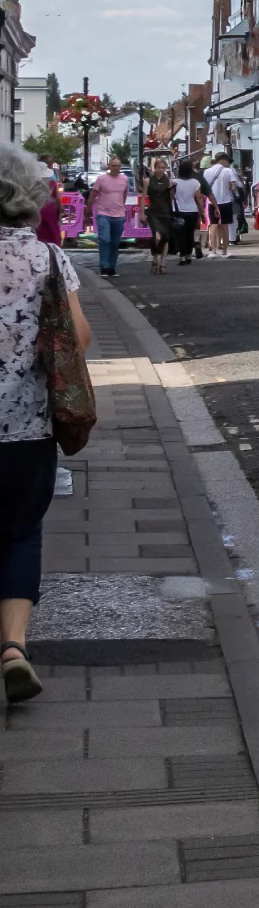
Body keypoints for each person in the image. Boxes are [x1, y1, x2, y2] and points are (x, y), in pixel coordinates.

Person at [0, 143, 91, 703]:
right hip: (25, 428)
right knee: (20, 533)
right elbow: (76, 339)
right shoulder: (50, 260)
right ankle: (12, 646)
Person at [88, 156, 131, 279]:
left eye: (118, 166)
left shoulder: (124, 179)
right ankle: (104, 265)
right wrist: (88, 210)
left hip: (119, 215)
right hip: (103, 213)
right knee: (105, 239)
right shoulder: (101, 179)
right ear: (109, 166)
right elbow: (93, 195)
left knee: (115, 243)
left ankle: (112, 267)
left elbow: (124, 195)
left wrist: (121, 207)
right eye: (113, 166)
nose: (116, 168)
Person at [205, 152, 241, 258]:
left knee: (213, 225)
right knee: (225, 226)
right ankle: (224, 251)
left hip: (212, 202)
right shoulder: (228, 171)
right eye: (227, 161)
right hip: (226, 201)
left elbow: (205, 187)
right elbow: (233, 186)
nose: (227, 163)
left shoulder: (207, 171)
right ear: (223, 159)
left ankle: (213, 251)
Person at [143, 157, 173, 277]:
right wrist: (141, 213)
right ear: (154, 168)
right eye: (158, 167)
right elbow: (144, 196)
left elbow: (171, 198)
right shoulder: (148, 181)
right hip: (153, 211)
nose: (160, 170)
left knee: (165, 237)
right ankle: (156, 257)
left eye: (162, 168)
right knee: (157, 236)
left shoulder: (169, 181)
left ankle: (163, 263)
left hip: (165, 211)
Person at [171, 159, 203, 267]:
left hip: (179, 211)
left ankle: (182, 256)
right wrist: (201, 211)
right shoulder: (195, 182)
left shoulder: (174, 182)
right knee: (190, 234)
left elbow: (171, 196)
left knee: (181, 235)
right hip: (192, 211)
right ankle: (189, 254)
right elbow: (198, 198)